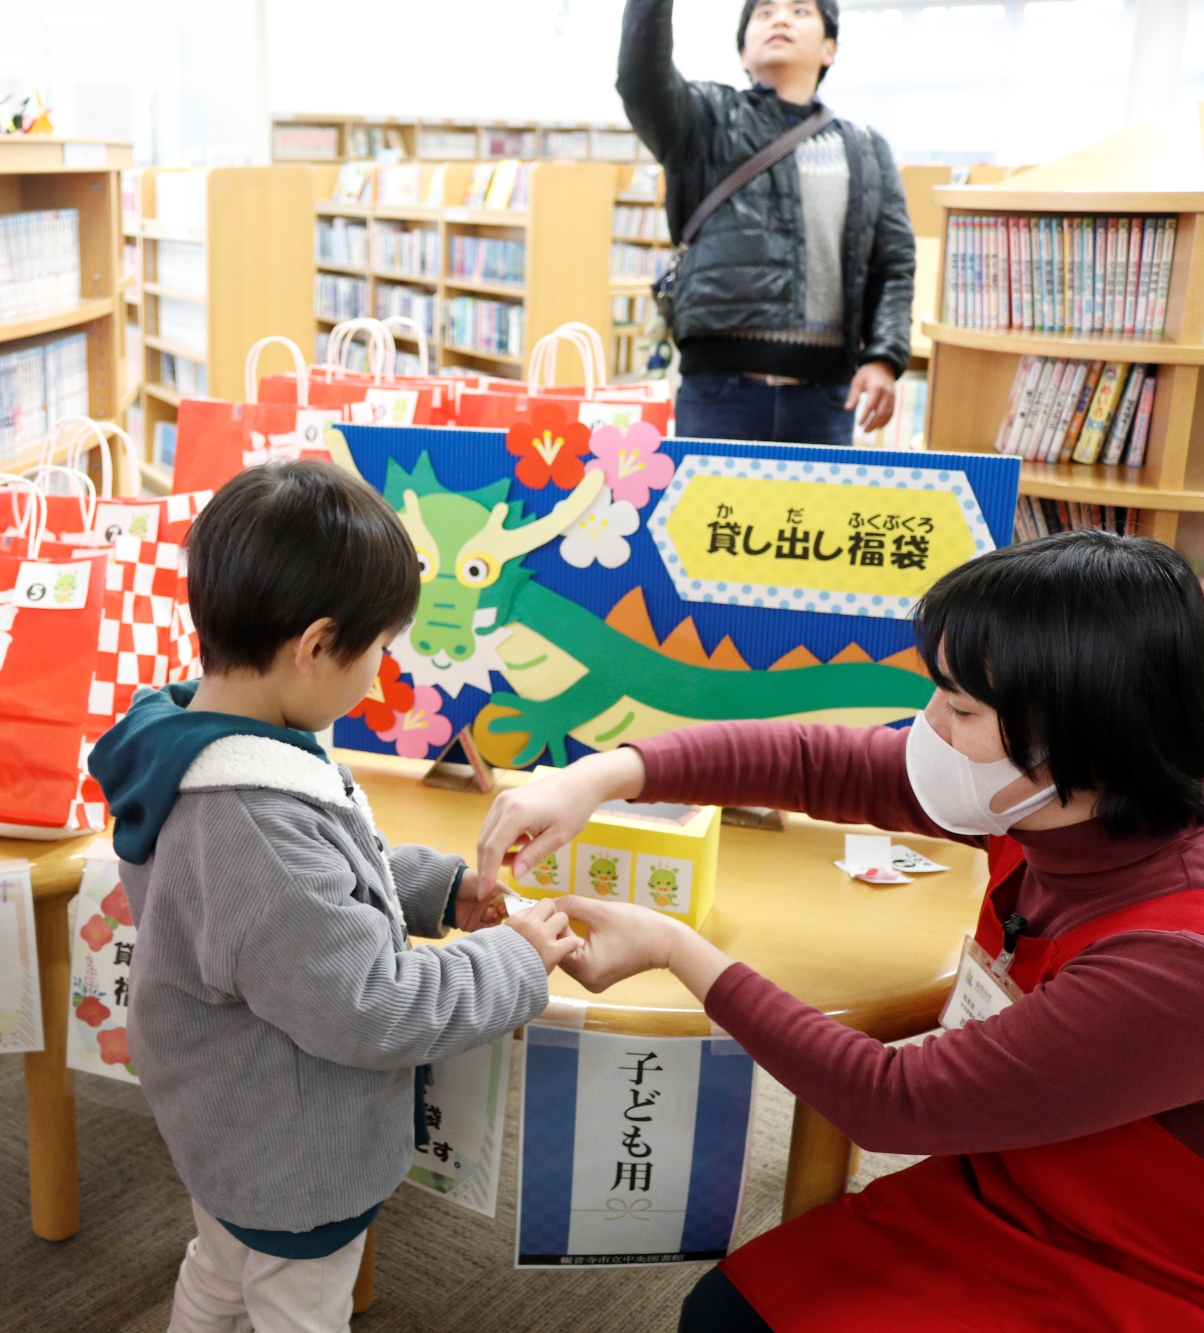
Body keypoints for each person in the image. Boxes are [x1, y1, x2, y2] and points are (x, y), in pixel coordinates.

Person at [474, 529, 1204, 1331]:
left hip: (1131, 1258)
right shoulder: (1055, 798)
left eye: (961, 707)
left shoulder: (1175, 956)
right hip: (1005, 1171)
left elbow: (892, 1100)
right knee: (726, 1309)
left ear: (1086, 738)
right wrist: (607, 773)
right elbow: (819, 763)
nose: (930, 725)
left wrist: (677, 949)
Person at [88, 460, 583, 1333]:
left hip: (223, 1117)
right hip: (289, 1149)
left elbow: (324, 883)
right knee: (298, 1309)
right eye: (382, 647)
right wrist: (517, 957)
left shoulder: (203, 739)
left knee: (218, 1267)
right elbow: (373, 1005)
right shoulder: (254, 825)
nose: (383, 668)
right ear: (315, 646)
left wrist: (438, 891)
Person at [619, 0, 914, 446]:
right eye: (764, 12)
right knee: (708, 518)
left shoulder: (867, 147)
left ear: (829, 48)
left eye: (800, 11)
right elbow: (640, 80)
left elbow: (892, 265)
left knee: (814, 518)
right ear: (742, 53)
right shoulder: (705, 120)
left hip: (828, 398)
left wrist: (885, 357)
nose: (780, 18)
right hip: (720, 392)